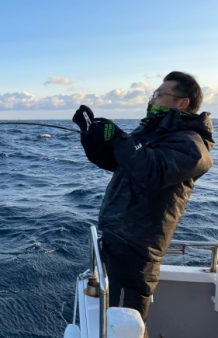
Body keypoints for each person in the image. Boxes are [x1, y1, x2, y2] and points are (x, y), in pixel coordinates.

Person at [72, 71, 214, 327]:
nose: (152, 99)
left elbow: (151, 172)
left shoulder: (192, 146)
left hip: (137, 251)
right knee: (111, 321)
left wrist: (119, 137)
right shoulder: (152, 132)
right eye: (153, 94)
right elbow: (117, 162)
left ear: (183, 103)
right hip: (115, 240)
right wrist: (89, 137)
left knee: (126, 324)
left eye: (160, 94)